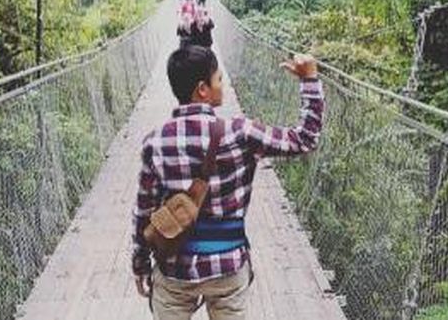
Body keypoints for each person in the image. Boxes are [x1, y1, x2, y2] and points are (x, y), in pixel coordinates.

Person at [131, 46, 324, 319]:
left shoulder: (154, 142)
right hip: (228, 268)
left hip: (174, 269)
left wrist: (140, 263)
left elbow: (143, 212)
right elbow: (305, 139)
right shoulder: (242, 132)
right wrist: (310, 81)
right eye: (219, 79)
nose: (223, 84)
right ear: (203, 89)